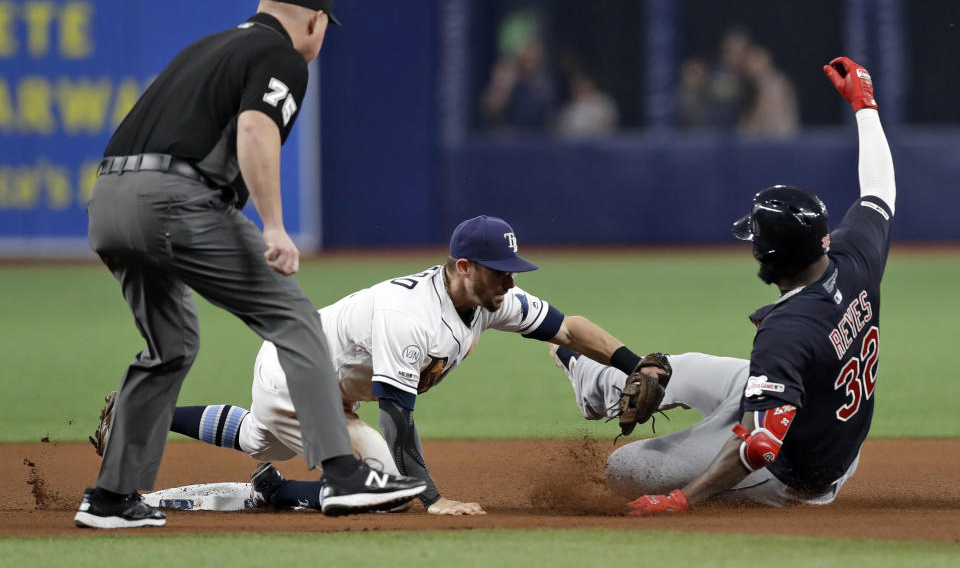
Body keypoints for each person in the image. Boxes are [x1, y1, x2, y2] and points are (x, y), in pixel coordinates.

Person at [75, 0, 426, 529]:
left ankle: (112, 498)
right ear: (315, 20)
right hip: (175, 199)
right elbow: (256, 128)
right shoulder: (281, 56)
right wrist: (274, 225)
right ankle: (341, 472)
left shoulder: (208, 47)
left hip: (110, 201)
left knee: (170, 344)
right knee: (294, 317)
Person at [93, 215, 664, 515]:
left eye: (512, 269)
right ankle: (282, 492)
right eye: (498, 270)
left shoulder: (488, 300)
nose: (509, 280)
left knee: (259, 438)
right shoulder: (409, 316)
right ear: (463, 266)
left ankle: (141, 410)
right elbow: (396, 417)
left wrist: (634, 363)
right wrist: (433, 498)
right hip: (296, 374)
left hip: (314, 369)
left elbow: (569, 329)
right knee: (383, 481)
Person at [550, 56, 894, 513]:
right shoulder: (854, 258)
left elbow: (759, 447)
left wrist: (681, 499)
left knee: (624, 471)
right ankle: (591, 378)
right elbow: (879, 190)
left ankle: (598, 384)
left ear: (768, 257)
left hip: (795, 473)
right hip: (821, 416)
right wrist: (864, 104)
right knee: (670, 369)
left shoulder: (787, 331)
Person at [737, 45, 800, 139]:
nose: (749, 67)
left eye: (753, 61)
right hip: (767, 139)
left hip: (779, 141)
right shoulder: (755, 87)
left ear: (765, 61)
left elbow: (779, 122)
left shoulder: (775, 84)